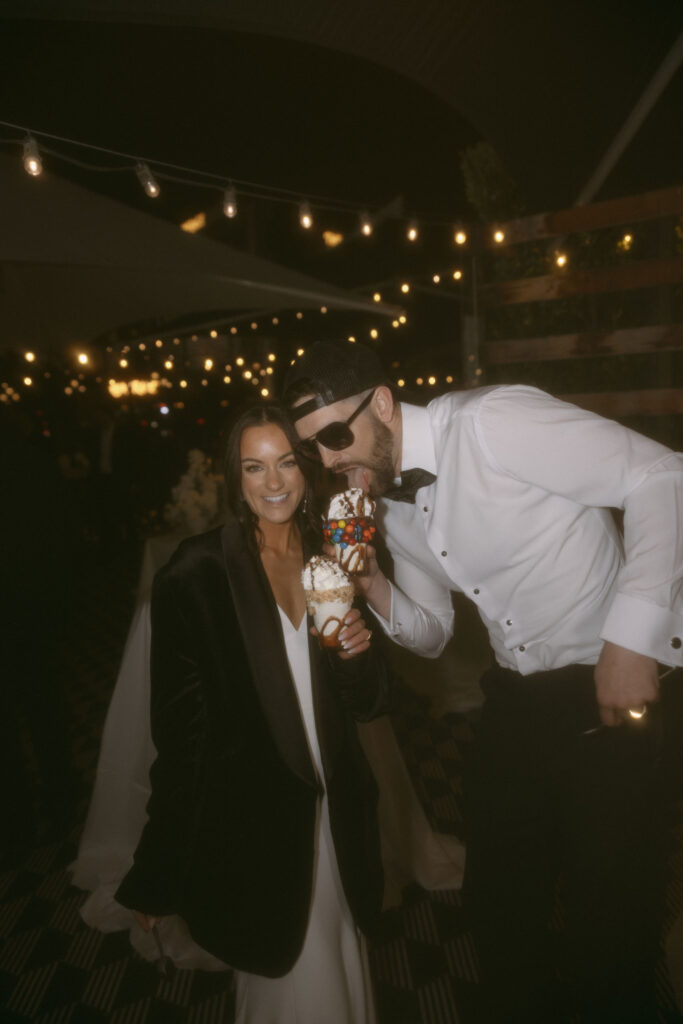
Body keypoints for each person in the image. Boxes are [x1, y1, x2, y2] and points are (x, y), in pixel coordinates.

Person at [282, 339, 683, 1024]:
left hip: (611, 684)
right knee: (497, 899)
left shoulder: (492, 422)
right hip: (518, 700)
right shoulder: (392, 505)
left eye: (335, 437)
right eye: (312, 450)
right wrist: (373, 583)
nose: (327, 462)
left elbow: (662, 476)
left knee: (610, 911)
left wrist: (630, 639)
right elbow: (432, 631)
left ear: (380, 403)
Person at [115, 403, 389, 1023]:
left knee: (343, 977)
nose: (274, 482)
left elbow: (371, 702)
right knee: (293, 984)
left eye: (287, 462)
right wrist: (157, 871)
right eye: (254, 467)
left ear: (306, 467)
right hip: (260, 830)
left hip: (339, 817)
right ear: (233, 478)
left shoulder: (335, 554)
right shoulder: (197, 574)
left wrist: (354, 654)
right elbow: (182, 741)